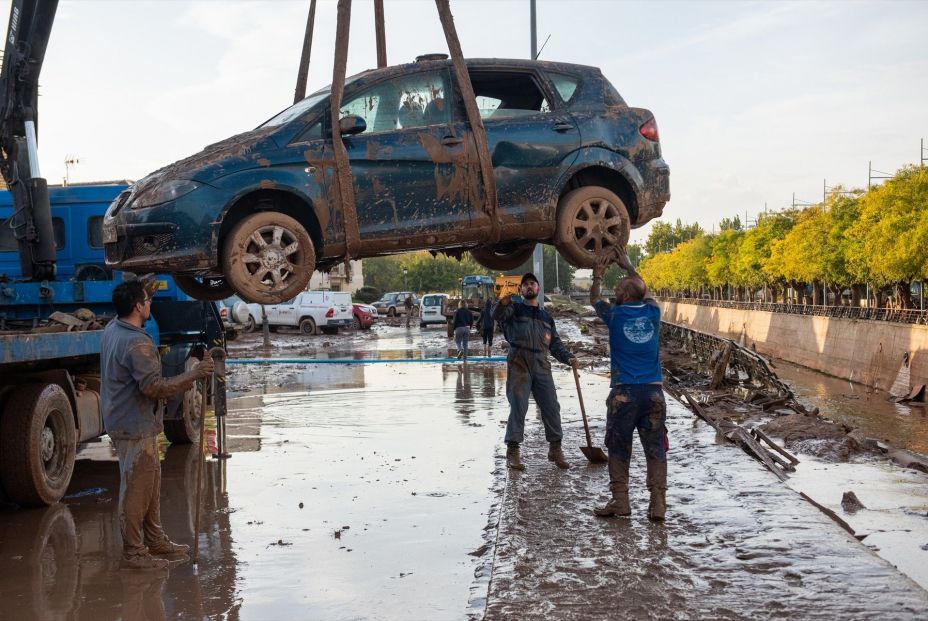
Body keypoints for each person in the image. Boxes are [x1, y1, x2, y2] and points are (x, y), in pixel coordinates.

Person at [101, 279, 214, 569]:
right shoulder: (138, 343)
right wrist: (194, 374)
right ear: (138, 307)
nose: (151, 303)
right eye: (147, 300)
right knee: (137, 489)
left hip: (127, 419)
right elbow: (155, 387)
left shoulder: (113, 329)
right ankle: (134, 553)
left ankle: (155, 540)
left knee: (149, 484)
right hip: (134, 423)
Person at [590, 255, 667, 521]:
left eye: (619, 288)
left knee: (619, 448)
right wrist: (628, 266)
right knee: (655, 448)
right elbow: (644, 289)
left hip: (624, 393)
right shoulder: (653, 313)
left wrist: (598, 274)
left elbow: (594, 299)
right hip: (654, 393)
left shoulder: (615, 314)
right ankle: (658, 505)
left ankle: (620, 501)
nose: (616, 291)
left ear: (623, 294)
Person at [494, 273, 579, 470]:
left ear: (538, 289)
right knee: (519, 406)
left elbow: (555, 344)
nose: (529, 287)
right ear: (521, 290)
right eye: (525, 285)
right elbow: (497, 316)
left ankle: (555, 449)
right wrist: (502, 303)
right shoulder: (513, 310)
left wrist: (568, 357)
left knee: (551, 407)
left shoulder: (546, 317)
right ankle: (513, 451)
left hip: (541, 363)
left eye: (532, 284)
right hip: (519, 361)